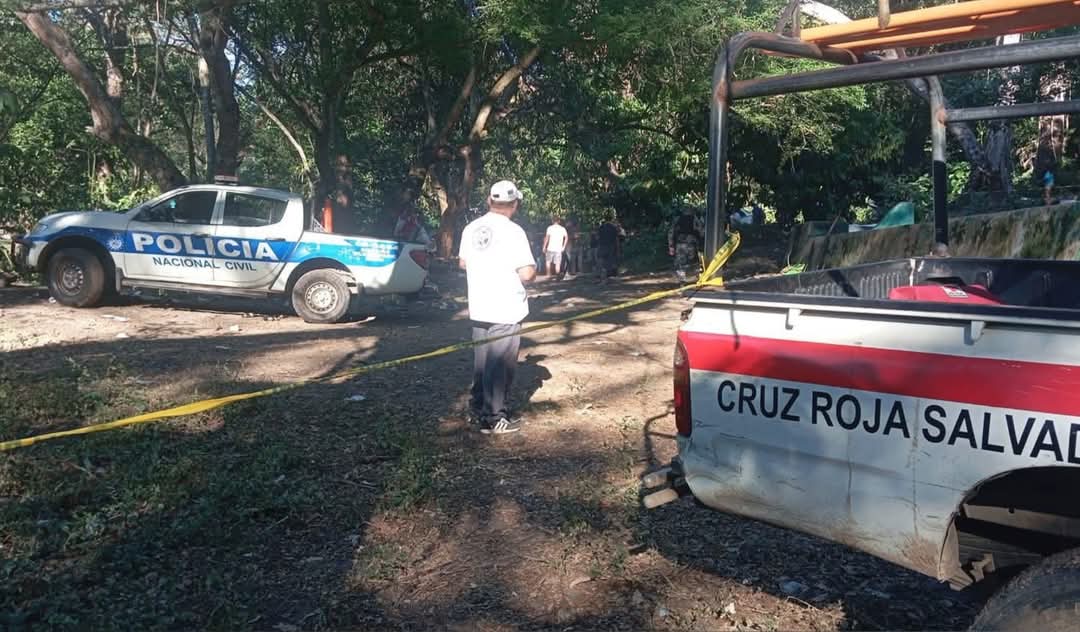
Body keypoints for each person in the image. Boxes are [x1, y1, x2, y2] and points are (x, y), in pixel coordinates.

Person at [458, 180, 537, 434]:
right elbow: (526, 273)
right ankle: (494, 418)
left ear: (489, 201)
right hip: (506, 306)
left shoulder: (471, 228)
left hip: (480, 304)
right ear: (515, 204)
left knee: (482, 363)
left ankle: (477, 408)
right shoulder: (515, 232)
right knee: (500, 364)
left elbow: (463, 263)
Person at [668, 207, 703, 282]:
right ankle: (692, 279)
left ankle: (682, 280)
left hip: (680, 244)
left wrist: (671, 245)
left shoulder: (678, 219)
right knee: (693, 262)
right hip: (691, 244)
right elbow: (701, 231)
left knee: (680, 263)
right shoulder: (695, 219)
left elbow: (671, 232)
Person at [594, 214, 621, 283]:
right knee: (609, 262)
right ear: (611, 219)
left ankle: (600, 277)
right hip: (611, 246)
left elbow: (597, 237)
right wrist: (617, 248)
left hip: (602, 246)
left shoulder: (601, 227)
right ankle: (607, 278)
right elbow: (616, 239)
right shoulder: (613, 227)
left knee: (600, 261)